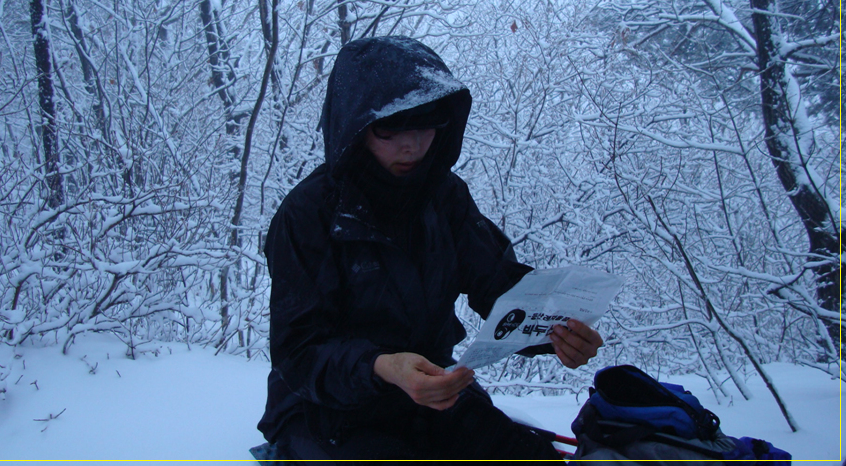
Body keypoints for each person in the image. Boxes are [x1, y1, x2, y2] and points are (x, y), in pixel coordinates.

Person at [258, 36, 603, 460]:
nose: (413, 145)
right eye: (391, 127)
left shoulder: (443, 196)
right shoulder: (307, 215)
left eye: (426, 125)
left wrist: (556, 332)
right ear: (355, 126)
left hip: (431, 388)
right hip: (323, 410)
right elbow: (298, 353)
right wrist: (381, 367)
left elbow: (498, 285)